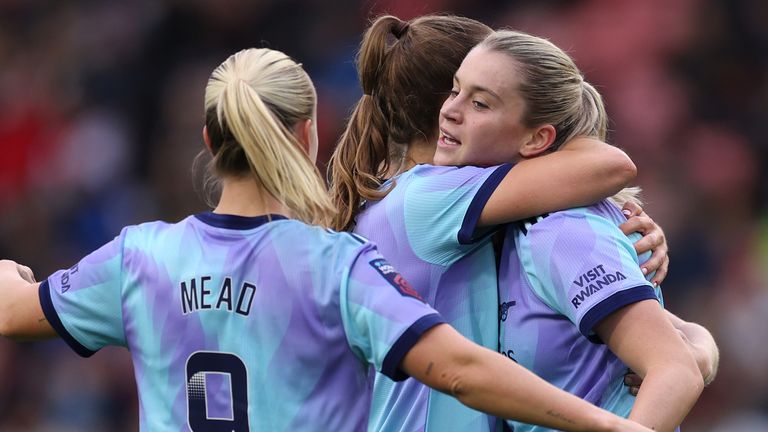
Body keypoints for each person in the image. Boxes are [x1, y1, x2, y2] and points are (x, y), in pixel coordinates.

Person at [0, 47, 655, 432]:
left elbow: (12, 311)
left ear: (208, 141)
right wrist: (612, 427)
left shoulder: (139, 259)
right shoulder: (335, 268)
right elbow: (458, 370)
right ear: (308, 134)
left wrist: (14, 275)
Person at [328, 14, 669, 432]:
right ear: (444, 102)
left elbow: (670, 348)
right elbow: (611, 165)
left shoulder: (410, 199)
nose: (461, 106)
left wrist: (695, 351)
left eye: (482, 97)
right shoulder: (430, 198)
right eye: (463, 92)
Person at [434, 29, 719, 431]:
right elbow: (680, 343)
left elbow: (675, 370)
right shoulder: (519, 226)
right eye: (454, 90)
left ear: (537, 138)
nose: (450, 110)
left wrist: (696, 357)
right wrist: (702, 348)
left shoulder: (562, 231)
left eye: (480, 103)